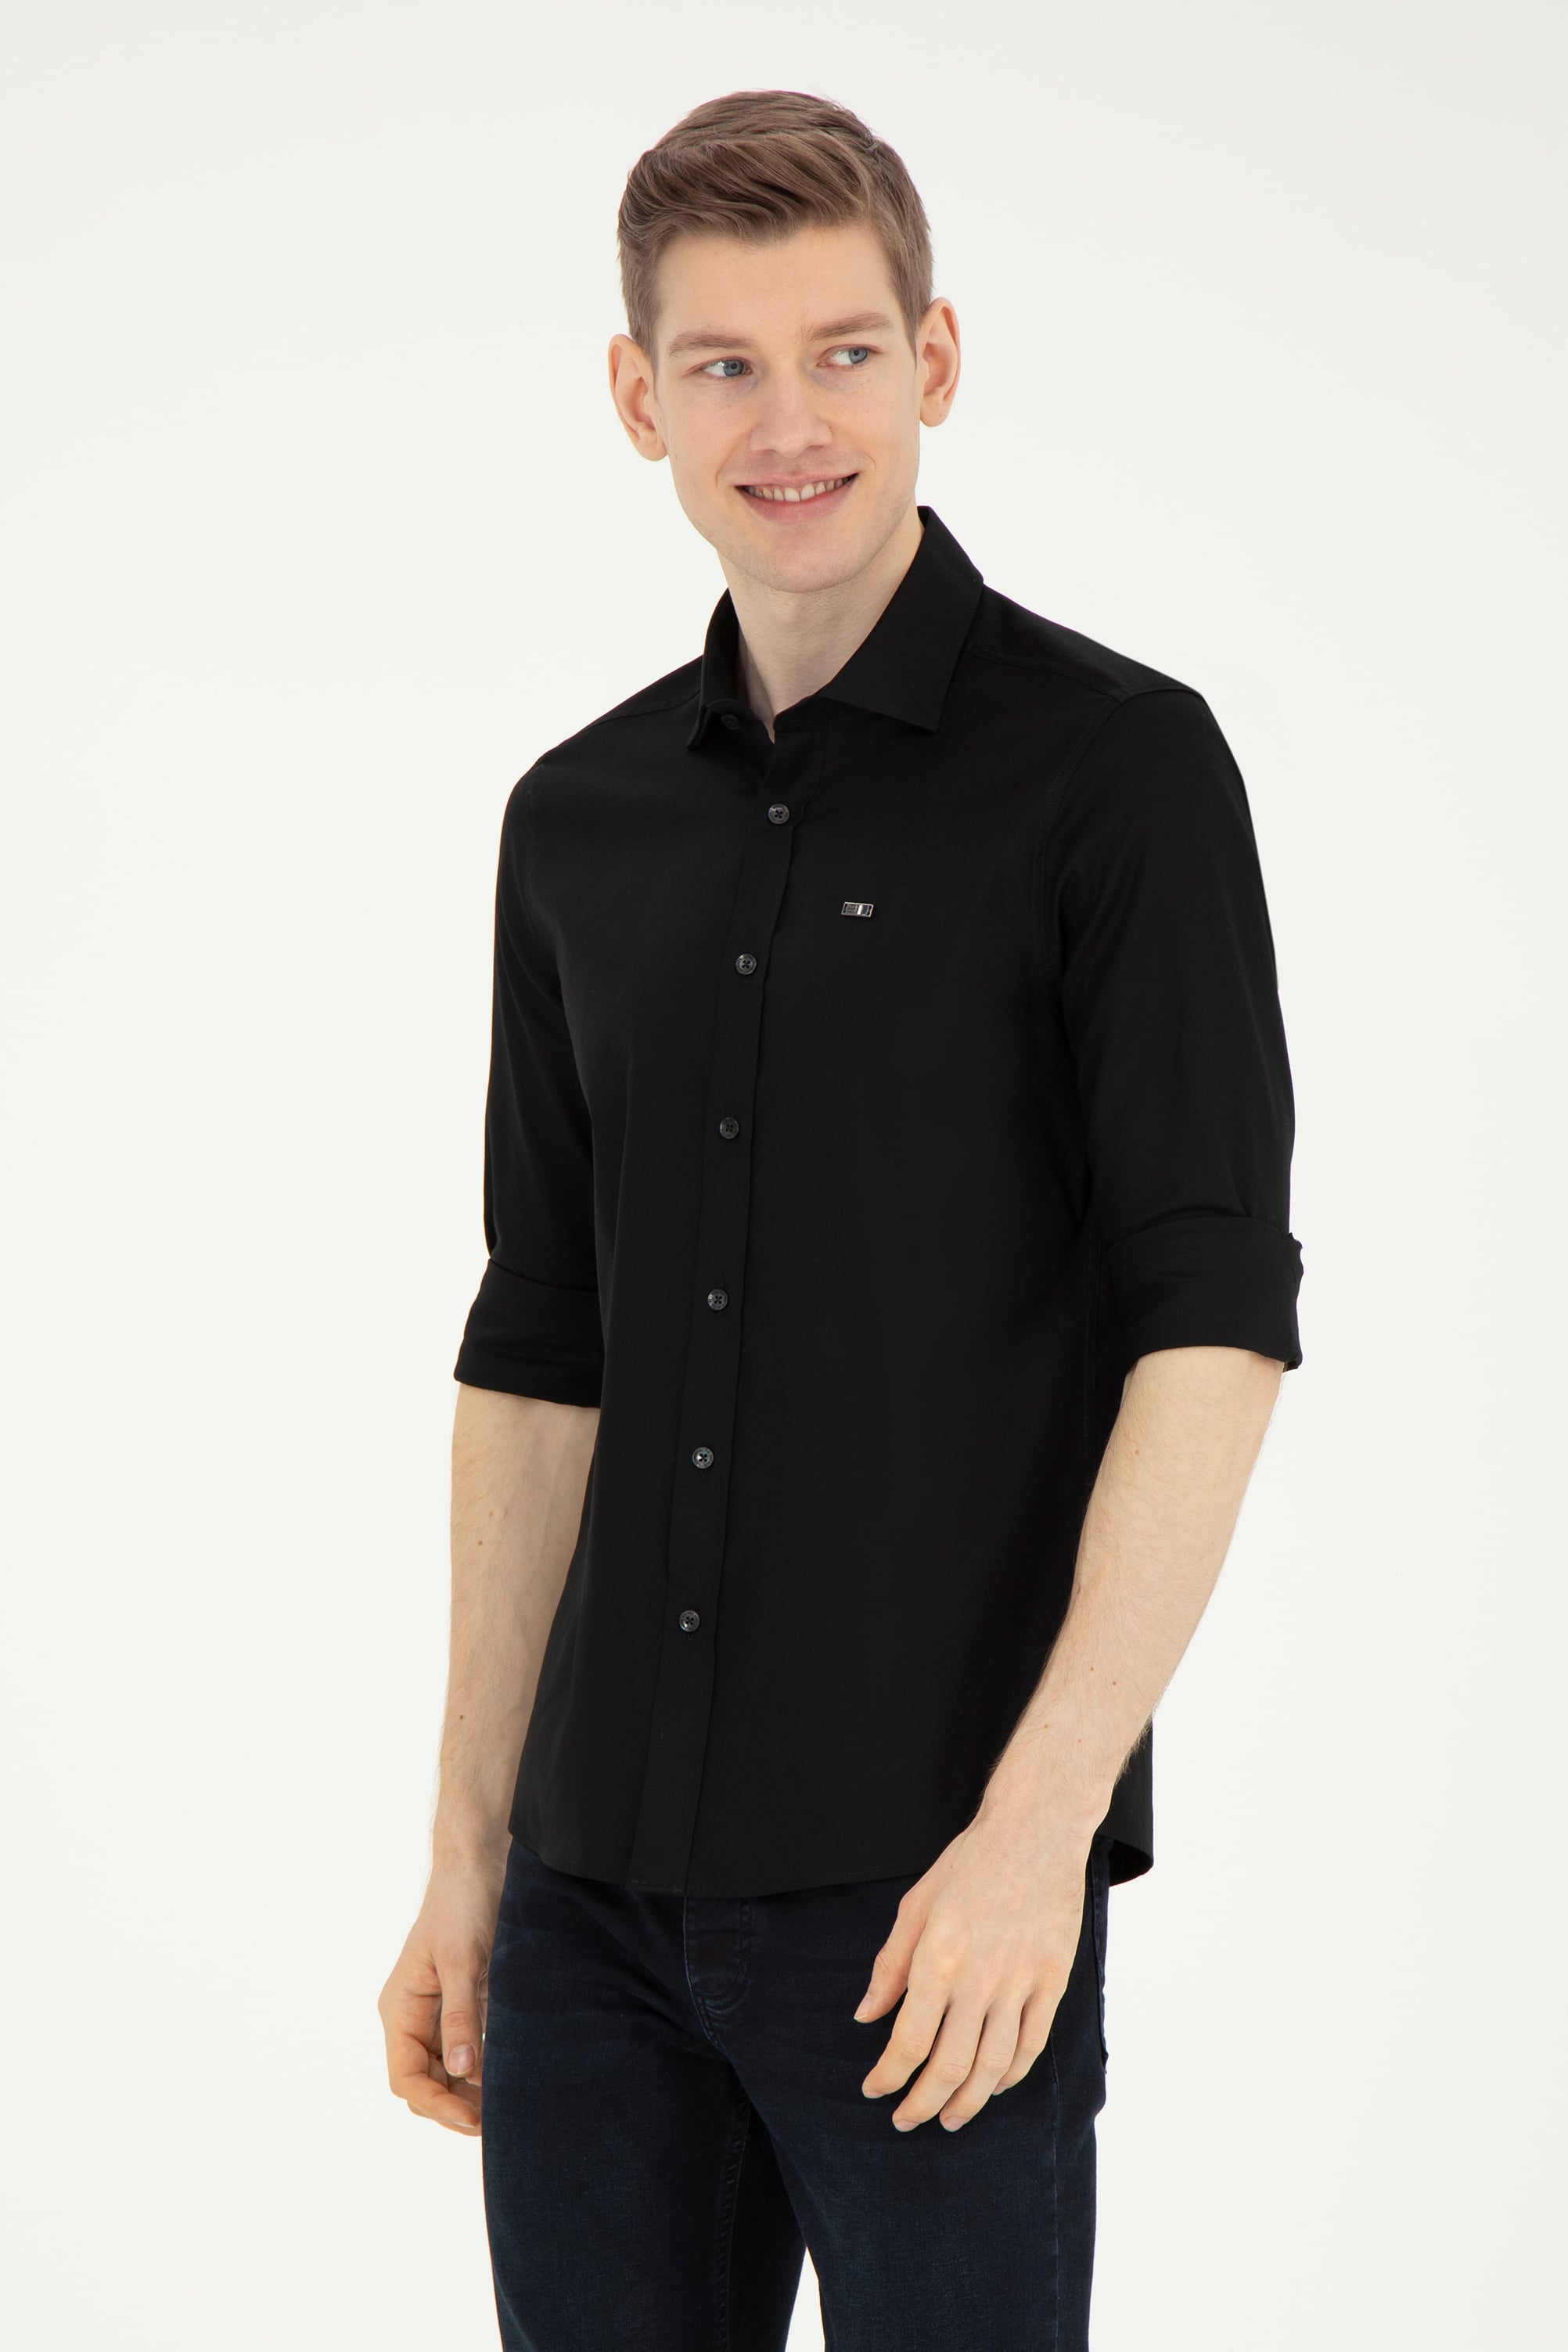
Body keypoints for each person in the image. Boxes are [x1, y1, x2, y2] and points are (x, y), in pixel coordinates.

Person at [378, 87, 1304, 2352]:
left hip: (933, 1902)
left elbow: (1210, 1318)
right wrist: (468, 1853)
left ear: (935, 360)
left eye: (842, 354)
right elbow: (542, 1342)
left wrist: (1040, 1833)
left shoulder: (1118, 772)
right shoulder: (577, 819)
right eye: (723, 364)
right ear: (639, 398)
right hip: (587, 1914)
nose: (787, 424)